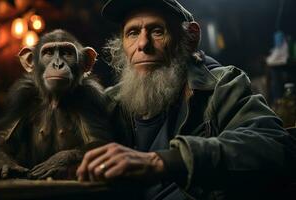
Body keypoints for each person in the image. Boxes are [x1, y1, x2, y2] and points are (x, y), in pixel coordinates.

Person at [76, 0, 296, 199]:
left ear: (190, 38)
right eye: (132, 32)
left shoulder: (221, 85)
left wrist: (161, 161)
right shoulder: (110, 102)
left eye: (157, 31)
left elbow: (276, 146)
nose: (143, 44)